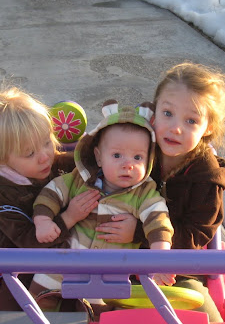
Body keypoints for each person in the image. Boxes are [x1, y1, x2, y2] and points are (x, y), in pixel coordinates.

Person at [100, 62, 225, 322]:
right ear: (153, 114)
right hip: (117, 259)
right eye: (167, 113)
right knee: (82, 305)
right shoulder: (139, 149)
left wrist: (141, 233)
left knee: (206, 322)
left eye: (191, 120)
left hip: (175, 271)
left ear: (208, 127)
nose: (176, 127)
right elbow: (96, 162)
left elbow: (197, 235)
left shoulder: (206, 177)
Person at [0, 84, 132, 308]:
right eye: (30, 153)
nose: (45, 156)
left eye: (47, 141)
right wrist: (69, 217)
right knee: (25, 315)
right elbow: (26, 242)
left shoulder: (52, 159)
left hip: (73, 249)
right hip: (25, 266)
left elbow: (89, 164)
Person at [31, 100, 174, 301]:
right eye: (117, 155)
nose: (128, 165)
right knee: (40, 295)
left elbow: (158, 220)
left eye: (138, 158)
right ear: (99, 157)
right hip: (66, 261)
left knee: (99, 316)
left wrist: (160, 258)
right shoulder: (80, 179)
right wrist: (43, 221)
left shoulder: (144, 193)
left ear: (149, 160)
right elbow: (52, 193)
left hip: (110, 272)